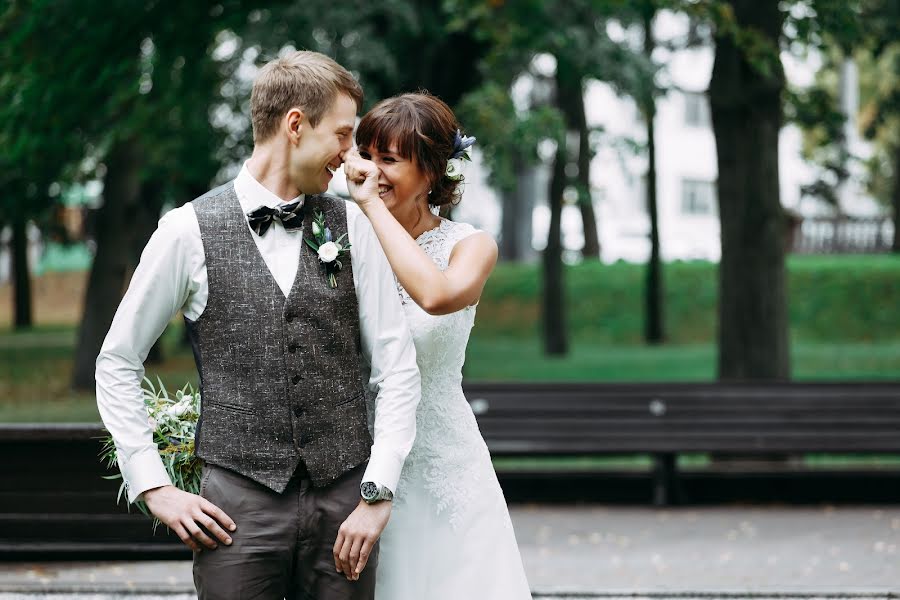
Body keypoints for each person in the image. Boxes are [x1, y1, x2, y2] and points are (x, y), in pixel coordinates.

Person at [95, 51, 420, 600]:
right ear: (296, 125)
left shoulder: (356, 225)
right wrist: (152, 484)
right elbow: (118, 360)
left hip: (346, 506)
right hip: (236, 508)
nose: (350, 156)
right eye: (342, 135)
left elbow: (396, 367)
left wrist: (377, 492)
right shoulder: (186, 231)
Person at [343, 92, 533, 599]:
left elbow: (437, 294)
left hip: (446, 465)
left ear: (430, 173)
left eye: (390, 159)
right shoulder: (338, 239)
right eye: (367, 154)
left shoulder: (470, 246)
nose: (373, 171)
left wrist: (368, 207)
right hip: (355, 461)